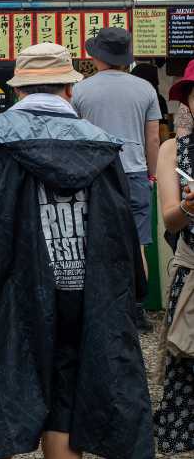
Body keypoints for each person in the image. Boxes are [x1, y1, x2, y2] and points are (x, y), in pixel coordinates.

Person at [0, 43, 152, 459]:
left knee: (3, 380)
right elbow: (119, 226)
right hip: (83, 291)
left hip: (9, 286)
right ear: (69, 90)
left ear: (19, 90)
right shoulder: (101, 146)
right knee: (66, 398)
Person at [71, 27, 160, 331]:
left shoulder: (81, 90)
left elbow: (75, 137)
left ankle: (100, 309)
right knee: (137, 244)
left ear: (97, 56)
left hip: (94, 173)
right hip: (135, 173)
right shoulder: (145, 89)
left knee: (94, 242)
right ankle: (136, 310)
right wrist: (152, 173)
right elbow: (153, 139)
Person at [152, 60, 194, 451]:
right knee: (189, 368)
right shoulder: (173, 149)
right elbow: (170, 218)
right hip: (192, 275)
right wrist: (189, 208)